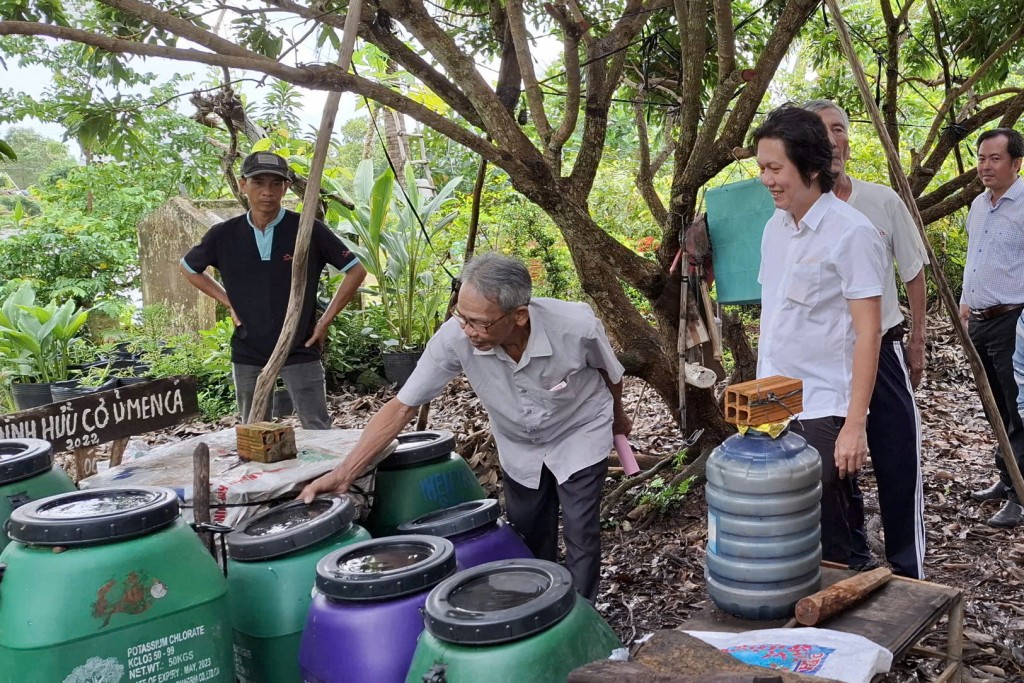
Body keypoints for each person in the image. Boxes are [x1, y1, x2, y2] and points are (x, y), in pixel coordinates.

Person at [299, 252, 630, 602]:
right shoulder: (455, 338)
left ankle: (581, 614)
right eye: (463, 317)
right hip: (518, 443)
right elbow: (402, 406)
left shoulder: (575, 326)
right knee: (529, 531)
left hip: (579, 430)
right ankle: (539, 611)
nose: (470, 331)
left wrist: (618, 418)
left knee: (581, 529)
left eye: (481, 323)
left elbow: (610, 374)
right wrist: (347, 472)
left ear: (519, 315)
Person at [753, 106, 888, 569]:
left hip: (824, 406)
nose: (767, 180)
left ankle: (856, 623)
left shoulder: (851, 233)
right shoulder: (774, 228)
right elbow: (775, 318)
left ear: (811, 167)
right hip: (773, 402)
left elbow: (870, 334)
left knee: (838, 538)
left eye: (775, 168)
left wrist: (855, 425)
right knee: (787, 527)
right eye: (761, 169)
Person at [803, 100, 928, 579]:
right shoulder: (796, 215)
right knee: (832, 469)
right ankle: (850, 563)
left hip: (886, 348)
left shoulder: (880, 201)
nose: (833, 139)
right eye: (821, 131)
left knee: (898, 460)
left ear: (849, 143)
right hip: (829, 360)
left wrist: (917, 340)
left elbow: (913, 271)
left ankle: (906, 571)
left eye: (839, 129)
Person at [180, 151, 366, 429]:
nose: (267, 192)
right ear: (243, 185)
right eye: (258, 183)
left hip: (300, 346)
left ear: (286, 188)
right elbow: (188, 268)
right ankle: (260, 474)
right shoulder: (224, 234)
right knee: (254, 430)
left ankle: (322, 474)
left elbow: (356, 270)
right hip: (248, 348)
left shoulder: (305, 230)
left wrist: (324, 321)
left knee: (317, 427)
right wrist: (229, 302)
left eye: (275, 184)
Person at [960, 128, 1024, 528]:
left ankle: (1020, 494)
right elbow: (975, 259)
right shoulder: (979, 205)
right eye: (982, 158)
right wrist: (967, 303)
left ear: (1016, 163)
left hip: (1013, 321)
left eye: (995, 159)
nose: (985, 166)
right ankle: (1006, 478)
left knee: (1016, 409)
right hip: (980, 321)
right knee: (994, 405)